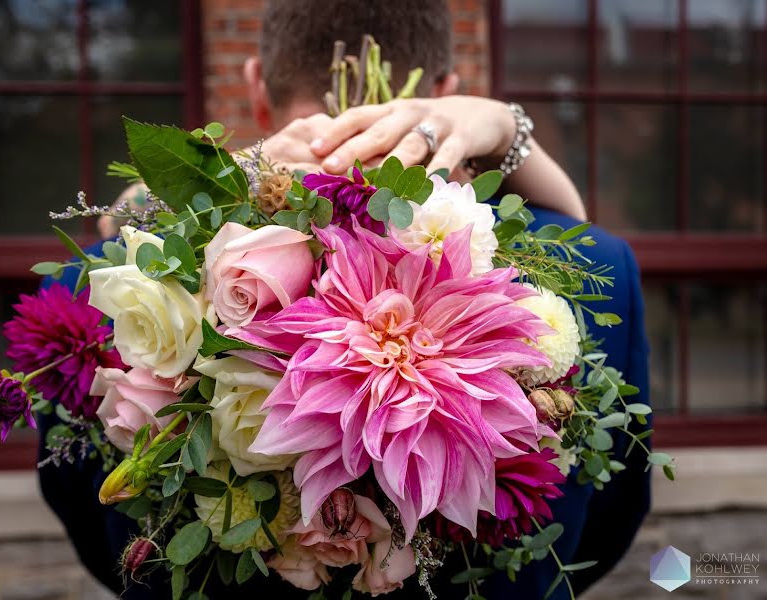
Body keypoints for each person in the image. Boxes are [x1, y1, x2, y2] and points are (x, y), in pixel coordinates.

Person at [41, 2, 651, 598]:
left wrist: (228, 174)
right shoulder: (596, 264)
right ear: (447, 88)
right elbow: (613, 516)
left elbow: (90, 522)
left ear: (256, 85)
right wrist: (512, 130)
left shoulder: (93, 284)